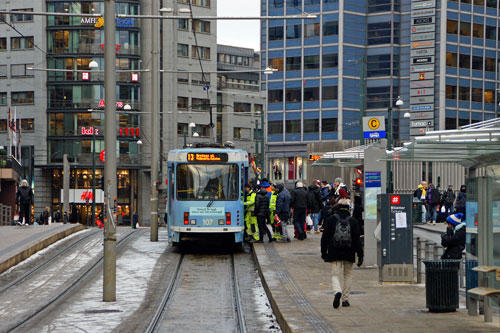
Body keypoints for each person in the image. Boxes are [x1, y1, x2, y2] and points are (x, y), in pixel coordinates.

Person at [321, 192, 363, 309]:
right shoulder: (353, 221)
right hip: (349, 251)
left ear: (338, 207)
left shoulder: (331, 220)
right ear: (348, 208)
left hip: (334, 251)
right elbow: (357, 240)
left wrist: (324, 252)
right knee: (348, 275)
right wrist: (360, 255)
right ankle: (345, 299)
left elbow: (325, 238)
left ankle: (337, 291)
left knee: (335, 274)